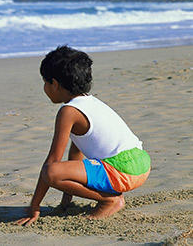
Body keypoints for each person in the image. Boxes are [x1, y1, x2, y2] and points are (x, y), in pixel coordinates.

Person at [16, 46, 151, 226]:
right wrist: (66, 201)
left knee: (51, 172)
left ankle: (110, 200)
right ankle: (109, 197)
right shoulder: (90, 103)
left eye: (46, 83)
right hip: (141, 163)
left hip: (122, 170)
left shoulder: (68, 111)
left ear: (54, 84)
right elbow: (76, 154)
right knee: (59, 169)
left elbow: (51, 163)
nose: (45, 88)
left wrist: (34, 206)